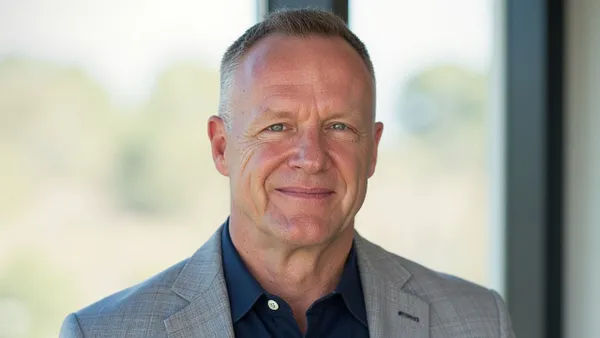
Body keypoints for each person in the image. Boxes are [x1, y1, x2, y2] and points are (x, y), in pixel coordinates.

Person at [60, 8, 515, 338]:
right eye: (277, 126)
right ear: (221, 147)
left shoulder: (477, 321)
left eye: (338, 126)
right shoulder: (103, 332)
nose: (311, 156)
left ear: (373, 150)